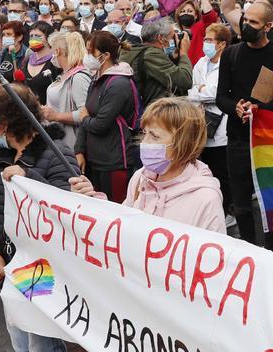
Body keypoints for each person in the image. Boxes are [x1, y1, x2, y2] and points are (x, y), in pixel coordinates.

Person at [0, 84, 77, 352]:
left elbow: (68, 212)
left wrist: (29, 178)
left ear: (4, 124)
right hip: (10, 268)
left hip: (41, 268)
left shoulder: (58, 155)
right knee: (23, 348)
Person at [71, 97, 226, 232]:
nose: (145, 143)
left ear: (184, 144)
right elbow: (123, 225)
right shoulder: (141, 178)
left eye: (155, 136)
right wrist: (92, 199)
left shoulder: (206, 199)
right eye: (145, 133)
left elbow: (212, 260)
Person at [216, 0, 273, 247]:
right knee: (241, 202)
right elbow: (221, 97)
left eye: (253, 21)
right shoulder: (230, 53)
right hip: (238, 138)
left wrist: (258, 109)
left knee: (269, 201)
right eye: (245, 19)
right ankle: (248, 248)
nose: (246, 25)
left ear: (268, 26)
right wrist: (236, 107)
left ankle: (272, 250)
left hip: (268, 140)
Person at [76, 31, 139, 202]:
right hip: (94, 158)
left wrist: (83, 119)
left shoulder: (119, 83)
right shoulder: (96, 78)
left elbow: (100, 123)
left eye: (91, 52)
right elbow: (87, 114)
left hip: (114, 161)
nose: (87, 56)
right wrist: (79, 150)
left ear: (106, 55)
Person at [189, 23, 231, 211]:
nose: (205, 43)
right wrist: (202, 92)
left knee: (221, 171)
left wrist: (202, 91)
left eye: (209, 40)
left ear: (221, 44)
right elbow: (192, 91)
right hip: (202, 121)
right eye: (205, 39)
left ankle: (225, 208)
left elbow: (218, 92)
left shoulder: (228, 63)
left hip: (221, 126)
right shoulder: (201, 63)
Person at [120, 17, 193, 109]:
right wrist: (183, 53)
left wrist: (172, 58)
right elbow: (184, 81)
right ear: (160, 38)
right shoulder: (151, 55)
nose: (174, 39)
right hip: (157, 112)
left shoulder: (140, 51)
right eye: (172, 36)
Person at [40, 31, 92, 153]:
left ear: (58, 51)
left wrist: (56, 116)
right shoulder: (65, 74)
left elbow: (86, 113)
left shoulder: (79, 77)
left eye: (52, 50)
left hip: (72, 144)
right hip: (58, 142)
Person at [19, 21, 61, 104]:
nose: (34, 39)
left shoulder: (56, 61)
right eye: (31, 36)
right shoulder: (27, 59)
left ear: (48, 38)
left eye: (38, 36)